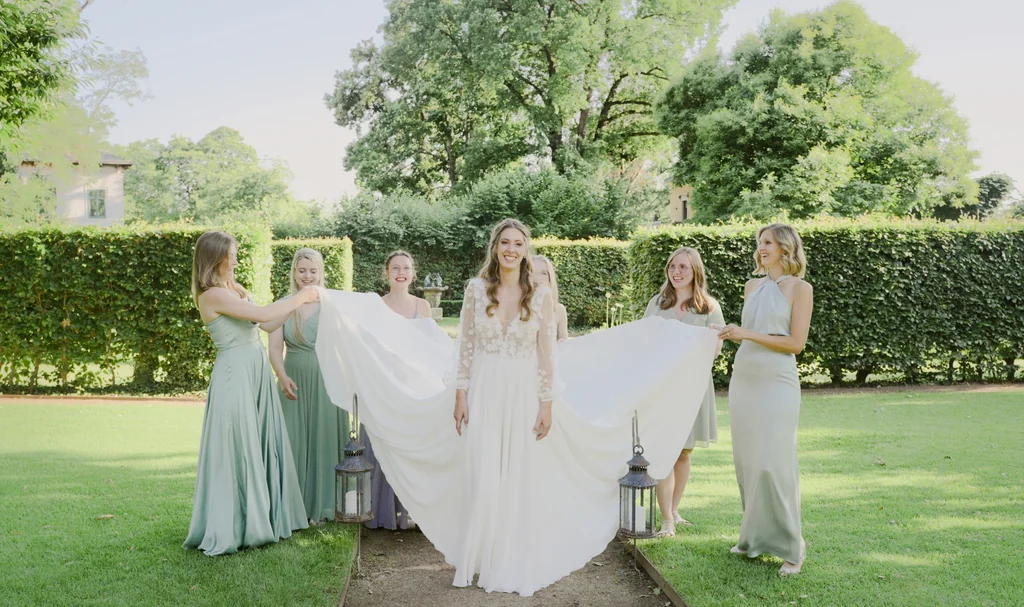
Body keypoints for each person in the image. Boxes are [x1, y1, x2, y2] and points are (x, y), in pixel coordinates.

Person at [313, 218, 720, 596]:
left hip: (525, 391)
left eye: (518, 244)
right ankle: (480, 556)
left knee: (519, 471)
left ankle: (510, 557)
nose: (511, 249)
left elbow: (546, 353)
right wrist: (459, 393)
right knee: (483, 468)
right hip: (485, 389)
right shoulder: (476, 289)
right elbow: (466, 347)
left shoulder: (539, 294)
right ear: (495, 247)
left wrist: (546, 404)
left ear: (526, 250)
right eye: (505, 243)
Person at [184, 231, 311, 555]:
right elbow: (263, 314)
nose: (237, 258)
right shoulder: (212, 295)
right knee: (237, 444)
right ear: (216, 258)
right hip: (235, 375)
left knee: (259, 441)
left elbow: (268, 325)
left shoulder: (234, 289)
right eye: (232, 254)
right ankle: (238, 525)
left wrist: (296, 304)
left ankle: (262, 516)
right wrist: (302, 295)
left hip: (255, 371)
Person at [718, 223, 813, 575]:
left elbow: (795, 344)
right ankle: (752, 539)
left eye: (768, 242)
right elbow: (748, 334)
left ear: (785, 247)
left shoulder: (801, 289)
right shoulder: (751, 286)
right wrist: (729, 333)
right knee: (749, 462)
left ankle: (792, 546)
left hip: (777, 381)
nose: (762, 248)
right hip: (745, 378)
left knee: (775, 462)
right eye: (760, 242)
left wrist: (746, 334)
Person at [262, 247, 350, 525]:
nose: (307, 276)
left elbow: (347, 347)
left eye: (313, 271)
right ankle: (292, 507)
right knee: (291, 441)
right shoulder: (284, 304)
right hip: (294, 379)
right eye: (302, 270)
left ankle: (324, 506)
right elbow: (274, 347)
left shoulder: (333, 305)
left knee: (324, 441)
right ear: (294, 272)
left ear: (321, 272)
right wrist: (281, 374)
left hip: (328, 381)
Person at [642, 247, 725, 536]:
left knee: (683, 453)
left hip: (694, 388)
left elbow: (716, 351)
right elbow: (643, 341)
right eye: (672, 266)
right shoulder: (657, 303)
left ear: (695, 272)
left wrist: (713, 339)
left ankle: (675, 510)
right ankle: (665, 520)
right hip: (663, 388)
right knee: (664, 451)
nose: (676, 272)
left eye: (683, 268)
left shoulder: (709, 307)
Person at [360, 250, 431, 529]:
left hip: (411, 383)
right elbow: (366, 344)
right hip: (381, 383)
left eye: (407, 267)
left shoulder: (422, 307)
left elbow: (430, 347)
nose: (401, 272)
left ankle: (410, 512)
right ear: (386, 273)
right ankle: (379, 508)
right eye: (396, 267)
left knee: (409, 445)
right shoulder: (374, 305)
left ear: (413, 273)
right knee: (381, 442)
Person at [530, 255, 569, 342]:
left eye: (543, 273)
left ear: (549, 278)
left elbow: (564, 339)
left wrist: (562, 341)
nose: (537, 277)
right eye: (532, 271)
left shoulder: (559, 309)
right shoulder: (516, 306)